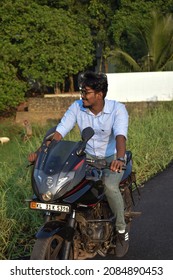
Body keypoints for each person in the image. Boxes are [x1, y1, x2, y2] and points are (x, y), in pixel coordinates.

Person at [28, 71, 129, 257]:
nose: (82, 96)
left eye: (86, 92)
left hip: (110, 158)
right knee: (68, 185)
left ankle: (122, 231)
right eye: (82, 91)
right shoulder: (77, 107)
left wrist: (119, 159)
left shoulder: (117, 109)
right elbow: (60, 132)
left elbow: (121, 136)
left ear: (99, 94)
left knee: (109, 186)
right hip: (86, 156)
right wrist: (42, 151)